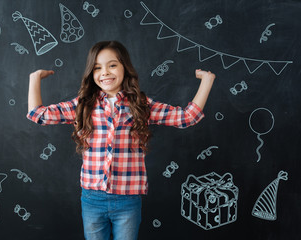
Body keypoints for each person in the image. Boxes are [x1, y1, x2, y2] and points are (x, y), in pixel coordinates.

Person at [27, 40, 215, 240]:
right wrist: (34, 78)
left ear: (125, 67)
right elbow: (38, 115)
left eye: (112, 65)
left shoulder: (140, 105)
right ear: (91, 73)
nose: (105, 72)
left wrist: (207, 80)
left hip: (128, 199)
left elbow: (187, 117)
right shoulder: (82, 105)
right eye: (97, 67)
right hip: (92, 198)